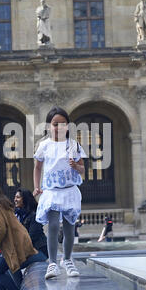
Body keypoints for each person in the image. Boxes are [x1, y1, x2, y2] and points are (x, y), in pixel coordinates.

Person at [33, 106, 87, 279]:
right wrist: (36, 186)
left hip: (69, 191)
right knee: (54, 225)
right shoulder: (44, 146)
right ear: (49, 126)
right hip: (52, 191)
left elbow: (83, 169)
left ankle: (68, 259)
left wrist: (76, 166)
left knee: (70, 227)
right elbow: (37, 167)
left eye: (63, 124)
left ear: (68, 126)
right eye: (56, 124)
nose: (59, 127)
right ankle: (52, 263)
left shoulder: (74, 145)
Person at [0, 183, 47, 290]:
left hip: (34, 250)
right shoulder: (13, 211)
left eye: (18, 197)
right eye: (15, 197)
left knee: (2, 269)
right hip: (15, 246)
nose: (15, 199)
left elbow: (2, 229)